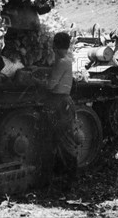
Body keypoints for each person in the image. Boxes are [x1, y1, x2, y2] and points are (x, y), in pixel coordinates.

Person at [39, 32, 78, 180]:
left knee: (63, 140)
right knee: (62, 139)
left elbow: (50, 85)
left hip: (59, 102)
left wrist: (38, 81)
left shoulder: (62, 61)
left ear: (55, 45)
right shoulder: (66, 59)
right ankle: (64, 177)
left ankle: (68, 179)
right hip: (63, 102)